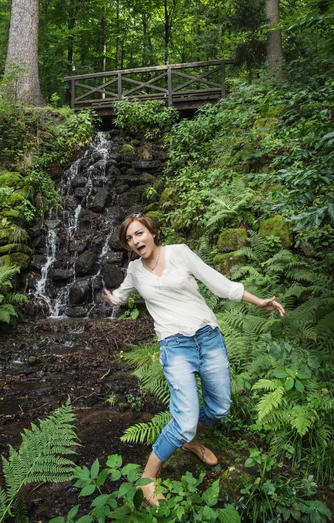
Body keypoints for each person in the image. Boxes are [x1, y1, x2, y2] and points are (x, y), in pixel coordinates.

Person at [104, 213, 285, 506]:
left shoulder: (180, 253)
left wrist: (259, 301)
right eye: (129, 238)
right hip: (175, 347)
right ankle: (147, 479)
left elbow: (221, 284)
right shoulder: (135, 271)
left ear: (152, 232)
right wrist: (113, 299)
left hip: (208, 337)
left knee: (220, 406)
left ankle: (191, 441)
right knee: (185, 419)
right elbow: (123, 295)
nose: (136, 241)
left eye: (139, 234)